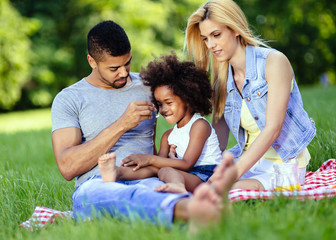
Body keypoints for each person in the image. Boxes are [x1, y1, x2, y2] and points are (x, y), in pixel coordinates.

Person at [51, 20, 237, 229]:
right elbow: (67, 168)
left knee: (155, 190)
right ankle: (192, 209)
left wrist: (169, 159)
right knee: (115, 195)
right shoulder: (69, 99)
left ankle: (192, 215)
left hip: (147, 176)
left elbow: (169, 133)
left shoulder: (150, 87)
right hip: (97, 184)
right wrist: (122, 124)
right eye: (114, 68)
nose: (123, 72)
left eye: (127, 63)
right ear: (92, 61)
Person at [184, 0, 316, 190]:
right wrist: (194, 161)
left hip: (284, 164)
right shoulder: (222, 80)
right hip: (247, 161)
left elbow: (273, 129)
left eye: (216, 35)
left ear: (235, 29)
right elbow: (217, 141)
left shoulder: (273, 62)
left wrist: (232, 174)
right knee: (191, 180)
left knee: (215, 190)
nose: (210, 44)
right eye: (205, 38)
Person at [99, 54, 223, 194]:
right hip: (186, 174)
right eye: (159, 104)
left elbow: (187, 164)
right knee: (157, 169)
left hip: (207, 177)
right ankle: (117, 172)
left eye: (169, 102)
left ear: (188, 98)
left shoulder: (199, 125)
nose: (163, 109)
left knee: (164, 170)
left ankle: (177, 187)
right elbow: (158, 164)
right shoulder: (167, 136)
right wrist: (148, 160)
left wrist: (149, 158)